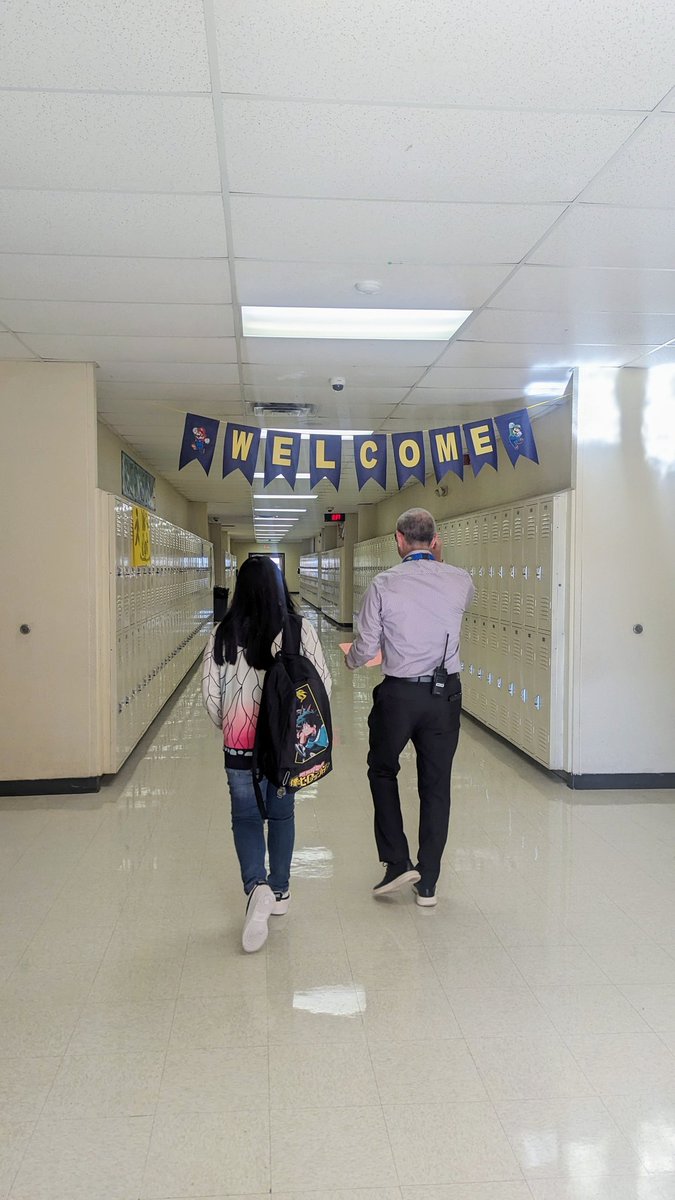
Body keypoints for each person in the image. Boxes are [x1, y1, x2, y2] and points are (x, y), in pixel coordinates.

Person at [344, 508, 474, 907]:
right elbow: (451, 607)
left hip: (400, 694)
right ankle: (428, 881)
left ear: (398, 540)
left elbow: (366, 645)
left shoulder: (384, 584)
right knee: (436, 785)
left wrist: (351, 661)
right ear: (435, 540)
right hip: (445, 695)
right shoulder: (460, 579)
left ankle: (398, 861)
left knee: (382, 769)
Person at [202, 556, 331, 952]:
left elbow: (211, 698)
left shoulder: (223, 634)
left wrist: (230, 725)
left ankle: (255, 884)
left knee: (244, 816)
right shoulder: (299, 629)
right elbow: (321, 683)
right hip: (285, 747)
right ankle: (280, 890)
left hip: (239, 745)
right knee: (281, 814)